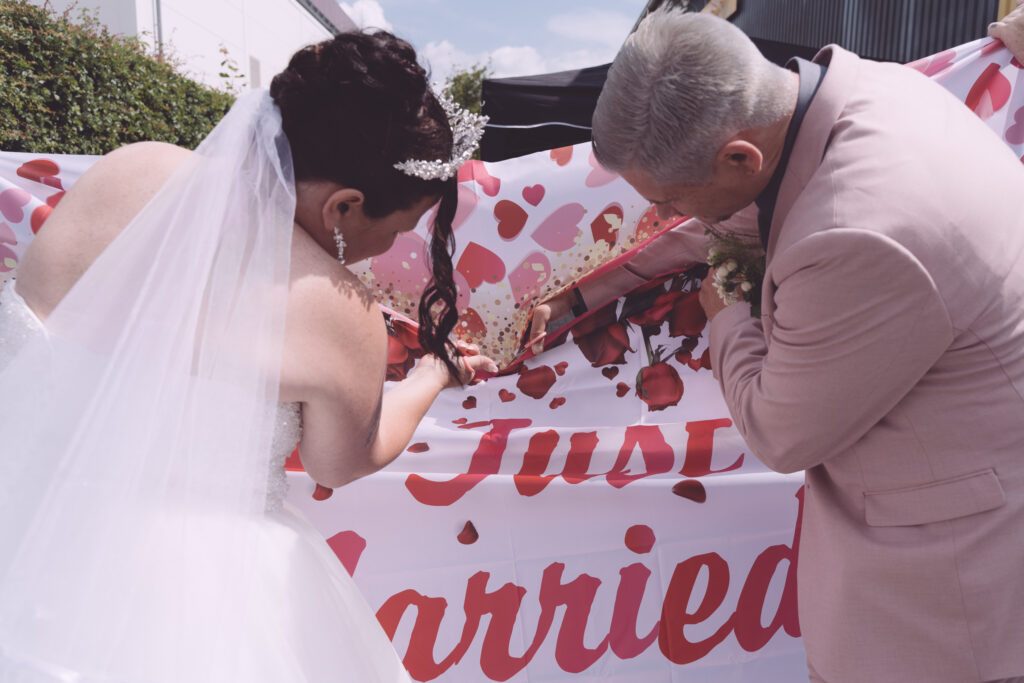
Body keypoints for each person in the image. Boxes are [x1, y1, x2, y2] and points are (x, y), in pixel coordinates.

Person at [532, 9, 1024, 683]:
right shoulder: (866, 94)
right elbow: (730, 215)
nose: (673, 218)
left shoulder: (856, 232)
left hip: (947, 609)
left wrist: (725, 310)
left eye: (673, 200)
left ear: (740, 156)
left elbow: (781, 430)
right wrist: (583, 295)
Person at [0, 30, 495, 681]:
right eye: (395, 230)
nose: (386, 250)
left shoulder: (128, 169)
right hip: (193, 617)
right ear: (344, 205)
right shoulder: (338, 310)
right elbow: (344, 460)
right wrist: (435, 372)